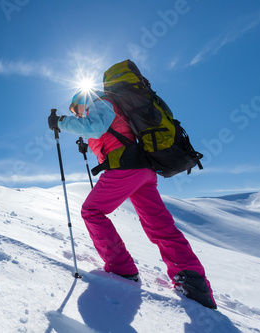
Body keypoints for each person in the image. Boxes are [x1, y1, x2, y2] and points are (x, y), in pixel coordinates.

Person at [48, 89, 217, 309]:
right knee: (160, 225)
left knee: (91, 212)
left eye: (75, 108)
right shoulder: (114, 107)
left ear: (82, 100)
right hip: (143, 171)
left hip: (126, 169)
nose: (77, 113)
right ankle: (193, 282)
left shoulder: (100, 102)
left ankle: (122, 269)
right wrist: (88, 143)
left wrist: (61, 121)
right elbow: (110, 133)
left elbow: (95, 126)